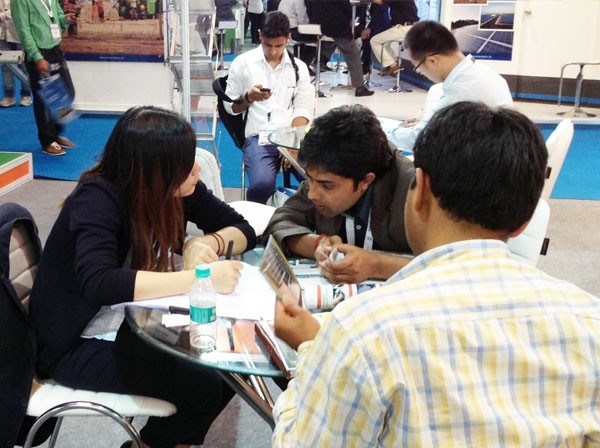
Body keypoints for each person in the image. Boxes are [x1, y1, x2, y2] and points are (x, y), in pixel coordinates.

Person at [271, 101, 600, 446]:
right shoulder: (589, 321)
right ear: (523, 223)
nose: (314, 192)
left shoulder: (362, 334)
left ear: (420, 190)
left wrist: (312, 354)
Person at [29, 106, 258, 448]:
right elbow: (100, 283)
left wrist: (205, 243)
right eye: (185, 163)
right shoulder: (97, 198)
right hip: (76, 343)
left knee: (233, 365)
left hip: (137, 322)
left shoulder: (174, 190)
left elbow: (244, 229)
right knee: (203, 385)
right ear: (155, 169)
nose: (196, 169)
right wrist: (199, 276)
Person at [264, 105, 414, 284]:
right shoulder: (324, 173)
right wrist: (316, 244)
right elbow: (280, 223)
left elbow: (443, 261)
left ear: (366, 181)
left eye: (327, 186)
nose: (312, 194)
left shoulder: (415, 190)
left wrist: (377, 265)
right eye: (309, 178)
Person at [225, 11, 315, 204]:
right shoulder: (243, 63)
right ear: (260, 35)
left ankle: (303, 217)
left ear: (288, 38)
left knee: (318, 180)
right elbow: (230, 107)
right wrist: (248, 97)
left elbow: (304, 107)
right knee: (262, 185)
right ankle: (254, 220)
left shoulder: (299, 68)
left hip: (292, 137)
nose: (273, 51)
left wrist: (293, 143)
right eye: (268, 45)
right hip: (259, 138)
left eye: (279, 46)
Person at [388, 20, 513, 152]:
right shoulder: (481, 71)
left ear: (432, 60)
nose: (420, 72)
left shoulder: (462, 89)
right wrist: (428, 121)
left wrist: (380, 129)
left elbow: (418, 139)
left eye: (418, 67)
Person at [11, 0, 78, 156]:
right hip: (39, 55)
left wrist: (66, 19)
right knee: (44, 100)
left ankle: (55, 133)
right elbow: (23, 30)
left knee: (68, 93)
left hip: (55, 51)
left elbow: (57, 17)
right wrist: (37, 57)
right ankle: (47, 141)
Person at [306, 0, 374, 97]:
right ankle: (359, 86)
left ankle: (320, 61)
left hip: (316, 24)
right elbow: (346, 7)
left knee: (329, 44)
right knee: (353, 53)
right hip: (336, 23)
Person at [278, 0, 334, 71]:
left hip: (284, 30)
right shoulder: (299, 1)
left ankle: (302, 64)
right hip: (294, 31)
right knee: (321, 38)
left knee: (310, 37)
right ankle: (308, 64)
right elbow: (302, 19)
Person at [369, 0, 419, 76]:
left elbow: (379, 1)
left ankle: (393, 65)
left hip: (404, 28)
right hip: (410, 27)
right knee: (384, 44)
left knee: (374, 41)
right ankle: (394, 64)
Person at [0, 0, 32, 107]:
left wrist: (2, 16)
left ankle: (26, 94)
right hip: (2, 32)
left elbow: (19, 9)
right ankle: (9, 96)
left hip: (19, 32)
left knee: (23, 65)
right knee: (5, 65)